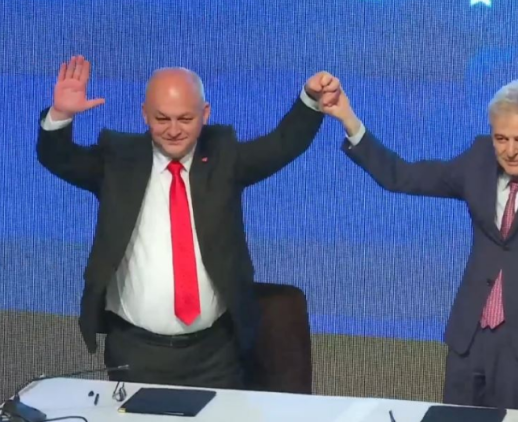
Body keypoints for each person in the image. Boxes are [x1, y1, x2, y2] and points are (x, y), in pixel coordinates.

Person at [319, 79, 518, 411]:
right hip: (471, 340)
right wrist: (349, 120)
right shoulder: (478, 160)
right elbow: (402, 176)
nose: (510, 151)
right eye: (501, 138)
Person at [37, 55, 340, 389]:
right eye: (161, 118)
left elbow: (282, 145)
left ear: (205, 114)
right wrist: (61, 115)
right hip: (136, 351)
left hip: (215, 354)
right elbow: (60, 159)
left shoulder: (224, 158)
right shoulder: (118, 160)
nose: (173, 130)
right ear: (144, 114)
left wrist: (310, 100)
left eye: (185, 118)